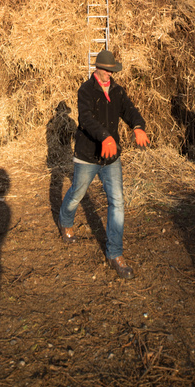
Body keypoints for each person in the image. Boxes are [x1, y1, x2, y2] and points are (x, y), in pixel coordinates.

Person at [58, 48, 149, 279]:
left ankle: (115, 254)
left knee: (117, 201)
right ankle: (65, 221)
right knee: (77, 194)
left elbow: (130, 110)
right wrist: (105, 136)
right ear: (97, 69)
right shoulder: (86, 90)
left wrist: (138, 126)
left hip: (111, 158)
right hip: (88, 155)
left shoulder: (117, 91)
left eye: (111, 70)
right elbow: (86, 119)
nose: (109, 74)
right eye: (106, 70)